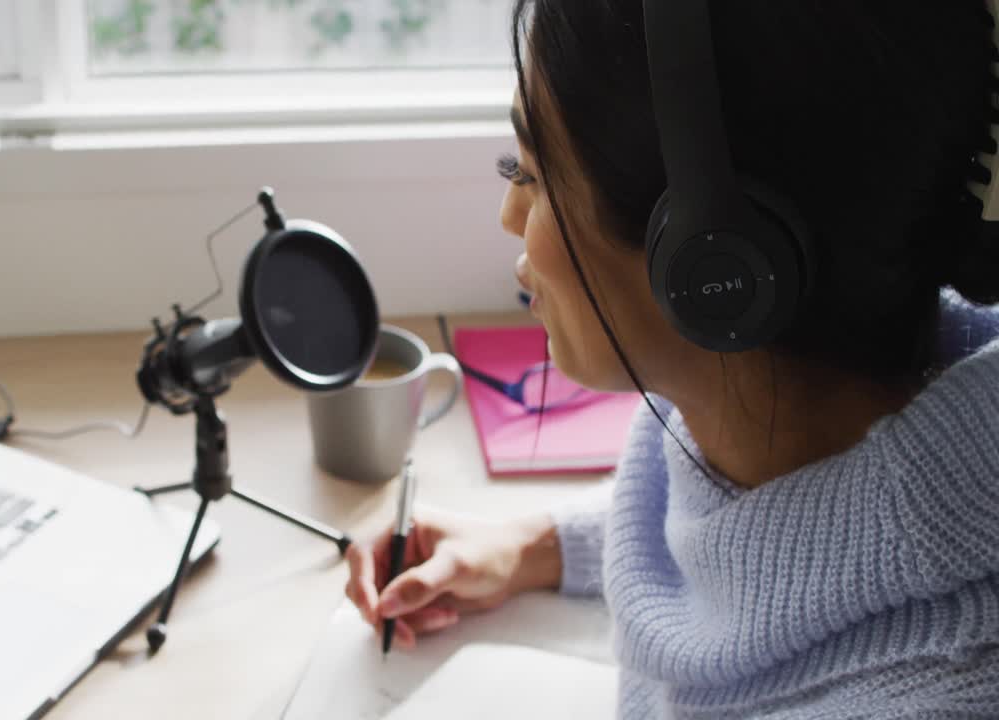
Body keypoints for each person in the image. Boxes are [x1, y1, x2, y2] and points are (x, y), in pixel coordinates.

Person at [344, 1, 999, 716]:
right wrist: (537, 545)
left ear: (713, 265)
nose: (509, 215)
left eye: (530, 174)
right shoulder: (784, 434)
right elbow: (799, 542)